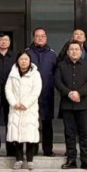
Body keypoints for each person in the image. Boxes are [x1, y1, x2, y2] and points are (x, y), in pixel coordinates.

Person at [56, 41, 87, 170]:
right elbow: (57, 82)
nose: (74, 51)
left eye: (76, 49)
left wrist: (79, 93)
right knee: (69, 134)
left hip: (84, 105)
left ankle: (85, 160)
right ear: (67, 52)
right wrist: (69, 93)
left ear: (81, 52)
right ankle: (71, 160)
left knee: (85, 134)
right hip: (67, 105)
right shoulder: (61, 65)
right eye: (71, 49)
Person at [5, 50, 42, 170]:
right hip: (15, 108)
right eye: (21, 59)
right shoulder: (13, 73)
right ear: (17, 61)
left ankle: (30, 160)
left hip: (29, 109)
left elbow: (36, 90)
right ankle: (19, 159)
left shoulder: (35, 74)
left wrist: (25, 104)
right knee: (17, 136)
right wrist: (14, 103)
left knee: (29, 135)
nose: (24, 61)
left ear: (30, 61)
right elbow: (8, 89)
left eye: (26, 59)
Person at [27, 28, 58, 157]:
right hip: (30, 94)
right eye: (37, 36)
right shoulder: (27, 53)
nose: (40, 38)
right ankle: (32, 149)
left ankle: (48, 150)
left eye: (43, 36)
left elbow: (57, 73)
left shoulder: (52, 54)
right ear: (33, 38)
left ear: (46, 37)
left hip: (47, 93)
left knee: (47, 122)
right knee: (31, 122)